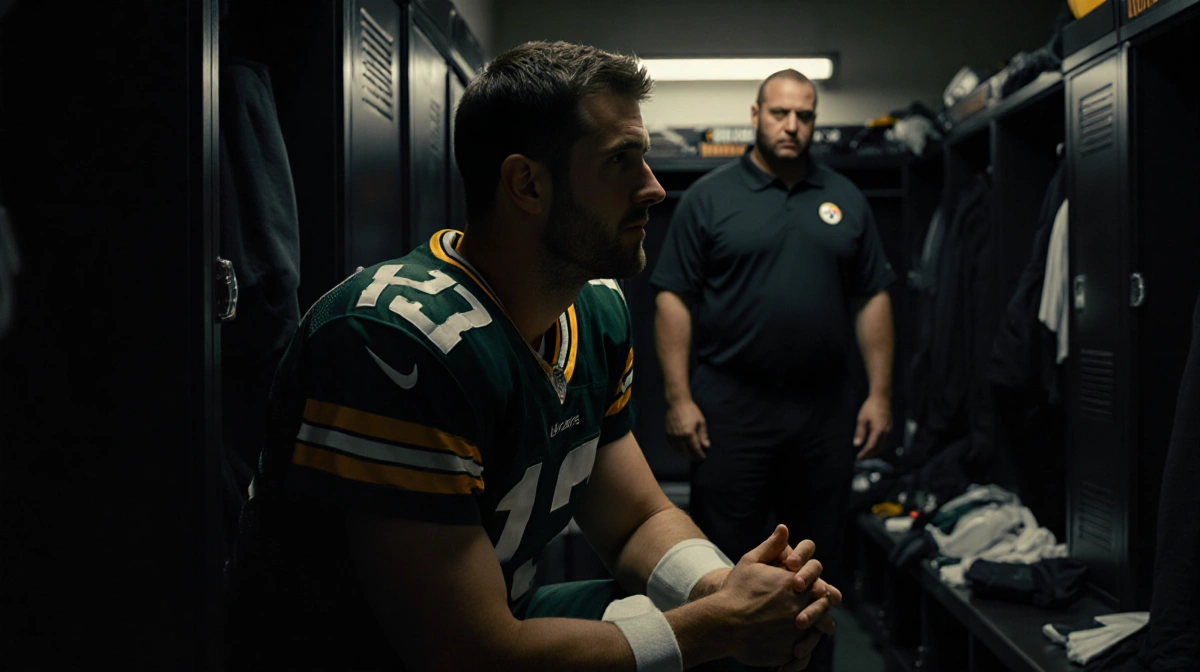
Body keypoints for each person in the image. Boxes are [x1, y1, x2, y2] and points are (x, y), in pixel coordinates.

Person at [225, 42, 842, 672]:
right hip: (372, 654)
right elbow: (471, 654)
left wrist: (725, 593)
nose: (654, 188)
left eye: (645, 158)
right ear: (527, 184)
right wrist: (720, 627)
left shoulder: (594, 307)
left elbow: (635, 519)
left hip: (502, 621)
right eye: (619, 161)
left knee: (687, 621)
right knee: (691, 644)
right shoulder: (394, 341)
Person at [651, 68, 897, 668]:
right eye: (780, 113)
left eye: (804, 115)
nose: (792, 125)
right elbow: (672, 299)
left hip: (822, 412)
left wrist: (880, 395)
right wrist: (679, 398)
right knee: (720, 564)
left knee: (818, 568)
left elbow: (873, 299)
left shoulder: (845, 198)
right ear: (756, 114)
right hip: (731, 410)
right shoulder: (710, 197)